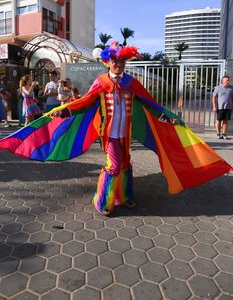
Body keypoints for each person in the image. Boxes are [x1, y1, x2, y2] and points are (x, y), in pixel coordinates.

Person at [0, 42, 232, 217]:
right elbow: (86, 101)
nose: (118, 65)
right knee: (113, 166)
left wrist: (168, 117)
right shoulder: (101, 82)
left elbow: (150, 103)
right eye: (115, 61)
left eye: (122, 61)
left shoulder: (131, 82)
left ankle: (126, 195)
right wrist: (65, 111)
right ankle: (102, 201)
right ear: (107, 62)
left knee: (126, 163)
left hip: (126, 134)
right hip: (109, 133)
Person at [212, 75, 233, 140]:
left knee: (225, 121)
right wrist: (214, 107)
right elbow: (214, 97)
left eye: (229, 80)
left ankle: (224, 133)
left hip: (228, 107)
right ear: (223, 81)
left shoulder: (231, 88)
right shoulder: (218, 88)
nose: (228, 82)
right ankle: (218, 133)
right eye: (227, 80)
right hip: (220, 107)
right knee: (218, 120)